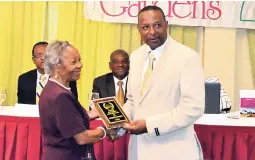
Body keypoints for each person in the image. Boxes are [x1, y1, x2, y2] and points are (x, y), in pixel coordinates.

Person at [122, 6, 205, 160]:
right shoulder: (136, 57)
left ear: (167, 25)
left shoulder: (187, 57)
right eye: (145, 27)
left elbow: (193, 108)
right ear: (138, 29)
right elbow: (133, 101)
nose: (152, 32)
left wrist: (149, 125)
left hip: (174, 151)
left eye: (157, 25)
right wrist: (118, 126)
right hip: (139, 151)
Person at [39, 40, 111, 160]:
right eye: (74, 62)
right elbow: (82, 138)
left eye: (79, 60)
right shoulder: (61, 96)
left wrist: (101, 111)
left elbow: (69, 119)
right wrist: (104, 130)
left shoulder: (52, 88)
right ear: (57, 66)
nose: (80, 65)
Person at [91, 49, 129, 160]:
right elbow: (95, 107)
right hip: (108, 131)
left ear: (129, 64)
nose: (120, 65)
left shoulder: (137, 81)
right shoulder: (100, 82)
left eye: (124, 61)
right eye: (116, 62)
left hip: (131, 131)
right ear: (110, 65)